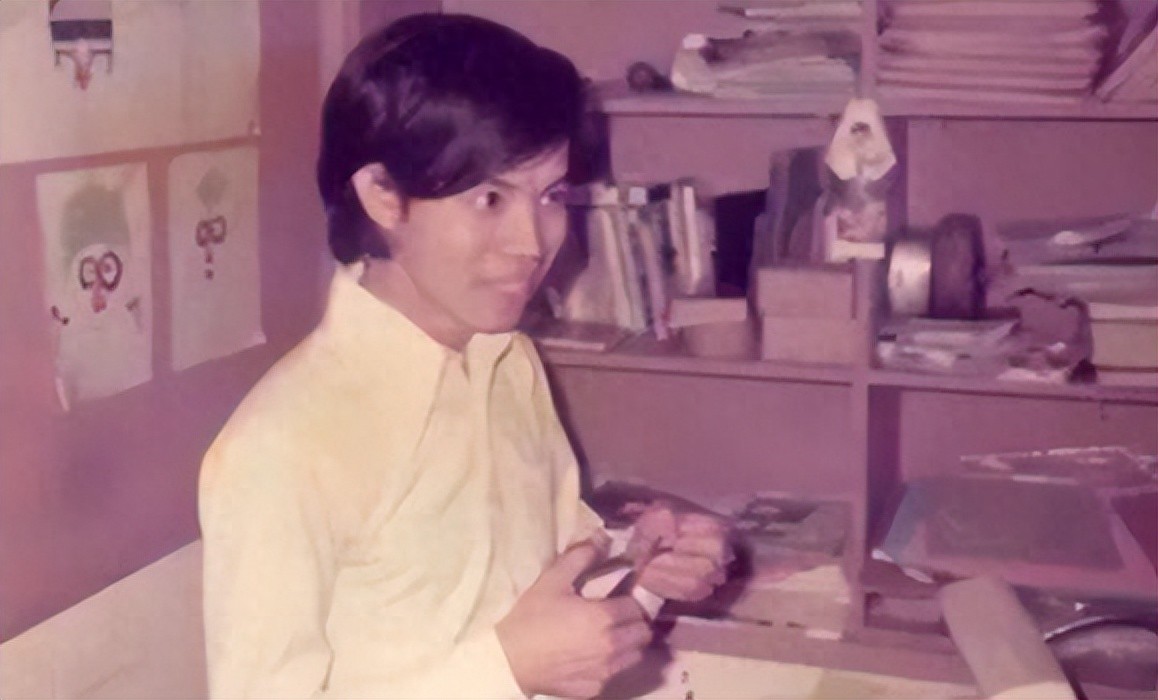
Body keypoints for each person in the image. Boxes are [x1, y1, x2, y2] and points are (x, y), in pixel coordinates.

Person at [199, 13, 731, 699]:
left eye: (550, 195)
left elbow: (545, 605)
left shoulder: (508, 363)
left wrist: (644, 571)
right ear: (382, 194)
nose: (532, 243)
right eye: (489, 199)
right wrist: (505, 671)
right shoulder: (281, 445)